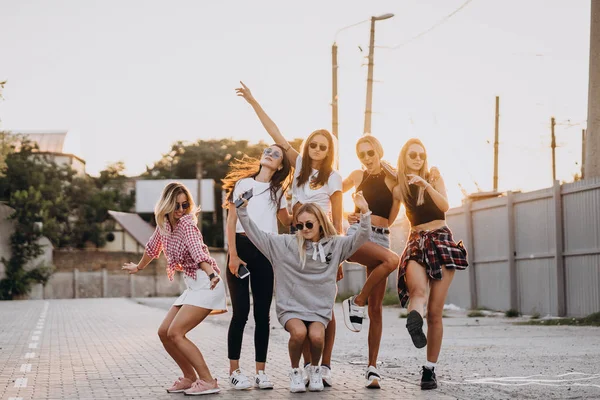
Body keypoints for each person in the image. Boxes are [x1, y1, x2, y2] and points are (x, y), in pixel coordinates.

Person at [236, 81, 343, 386]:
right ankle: (307, 366)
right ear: (307, 146)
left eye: (324, 146)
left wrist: (339, 257)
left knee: (324, 305)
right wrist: (254, 102)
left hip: (324, 242)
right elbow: (275, 133)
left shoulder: (333, 177)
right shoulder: (297, 166)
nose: (318, 150)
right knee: (301, 302)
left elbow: (337, 217)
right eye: (314, 144)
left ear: (329, 151)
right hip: (298, 240)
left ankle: (324, 366)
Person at [343, 138, 468, 390]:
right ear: (404, 157)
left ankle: (429, 370)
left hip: (442, 240)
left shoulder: (434, 179)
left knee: (435, 312)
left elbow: (444, 205)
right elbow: (381, 211)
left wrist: (426, 184)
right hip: (416, 242)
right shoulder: (398, 185)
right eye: (413, 155)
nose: (418, 159)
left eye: (421, 155)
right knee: (417, 293)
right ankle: (412, 319)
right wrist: (356, 214)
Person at [236, 191, 371, 393]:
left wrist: (365, 212)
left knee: (317, 337)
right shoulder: (285, 244)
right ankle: (295, 372)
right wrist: (242, 211)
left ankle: (315, 370)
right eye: (299, 225)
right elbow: (257, 235)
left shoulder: (335, 245)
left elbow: (361, 236)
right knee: (299, 333)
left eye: (309, 224)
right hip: (291, 307)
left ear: (320, 222)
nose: (304, 229)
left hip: (318, 307)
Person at [122, 182, 226, 396]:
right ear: (166, 206)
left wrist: (212, 274)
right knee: (164, 333)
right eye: (176, 206)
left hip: (206, 282)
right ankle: (189, 377)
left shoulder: (187, 224)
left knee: (176, 333)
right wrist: (139, 266)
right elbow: (152, 248)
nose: (180, 211)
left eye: (185, 205)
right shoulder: (165, 226)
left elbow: (198, 252)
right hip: (193, 285)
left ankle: (207, 380)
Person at [221, 144, 293, 390]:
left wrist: (303, 200)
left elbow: (288, 222)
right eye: (267, 150)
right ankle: (235, 371)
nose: (270, 154)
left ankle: (261, 373)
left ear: (280, 165)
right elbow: (232, 220)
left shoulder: (278, 191)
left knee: (262, 315)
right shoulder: (243, 184)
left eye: (276, 154)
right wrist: (232, 255)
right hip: (240, 248)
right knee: (240, 313)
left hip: (266, 251)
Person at [339, 134, 400, 388]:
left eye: (370, 153)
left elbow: (393, 217)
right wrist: (346, 215)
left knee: (377, 310)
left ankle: (372, 369)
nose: (366, 158)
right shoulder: (356, 176)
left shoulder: (394, 182)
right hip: (358, 235)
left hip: (382, 238)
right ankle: (357, 301)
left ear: (379, 152)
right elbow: (332, 194)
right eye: (362, 154)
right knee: (393, 261)